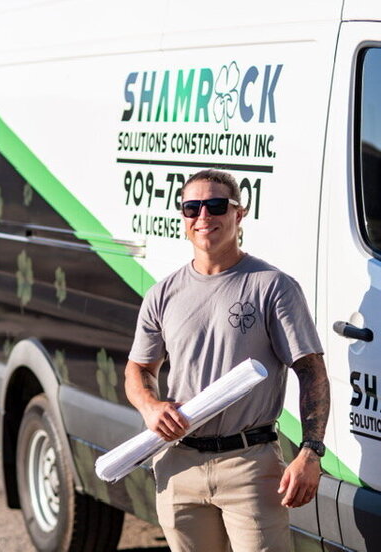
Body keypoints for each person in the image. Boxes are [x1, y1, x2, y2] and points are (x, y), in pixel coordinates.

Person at [125, 169, 330, 552]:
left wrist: (310, 452)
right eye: (192, 207)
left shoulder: (273, 286)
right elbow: (138, 368)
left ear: (239, 213)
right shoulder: (163, 294)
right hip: (177, 465)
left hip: (248, 465)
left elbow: (311, 370)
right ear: (183, 217)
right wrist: (151, 407)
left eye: (216, 205)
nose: (204, 216)